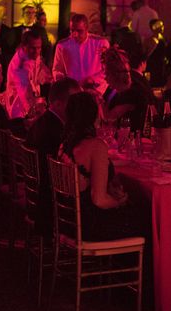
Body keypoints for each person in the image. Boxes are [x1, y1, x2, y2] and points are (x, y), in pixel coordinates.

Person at [59, 92, 144, 241]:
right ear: (92, 115)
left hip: (68, 222)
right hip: (90, 227)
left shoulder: (64, 145)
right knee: (144, 217)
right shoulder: (96, 146)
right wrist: (119, 202)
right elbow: (99, 200)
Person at [27, 77, 81, 235]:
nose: (77, 107)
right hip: (53, 207)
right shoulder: (55, 132)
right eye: (73, 102)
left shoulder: (43, 123)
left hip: (39, 199)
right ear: (57, 103)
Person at [53, 12, 111, 91]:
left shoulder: (101, 43)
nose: (75, 34)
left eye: (79, 31)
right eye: (72, 30)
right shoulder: (62, 45)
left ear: (87, 29)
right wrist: (61, 79)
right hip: (73, 91)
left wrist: (92, 80)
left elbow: (108, 69)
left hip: (96, 90)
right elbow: (57, 69)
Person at [6, 30, 51, 120]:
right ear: (24, 46)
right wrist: (35, 111)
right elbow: (25, 91)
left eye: (39, 48)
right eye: (33, 48)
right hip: (19, 110)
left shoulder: (33, 55)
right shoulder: (20, 65)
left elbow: (41, 73)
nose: (37, 51)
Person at [101, 47, 149, 132]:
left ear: (116, 75)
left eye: (107, 74)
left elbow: (109, 118)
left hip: (129, 139)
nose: (105, 78)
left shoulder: (133, 93)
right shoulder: (111, 90)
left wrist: (96, 99)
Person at [144, 18, 167, 87]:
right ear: (154, 27)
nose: (162, 27)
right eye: (160, 25)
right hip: (152, 66)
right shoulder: (150, 40)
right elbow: (146, 54)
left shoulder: (162, 39)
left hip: (161, 66)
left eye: (162, 25)